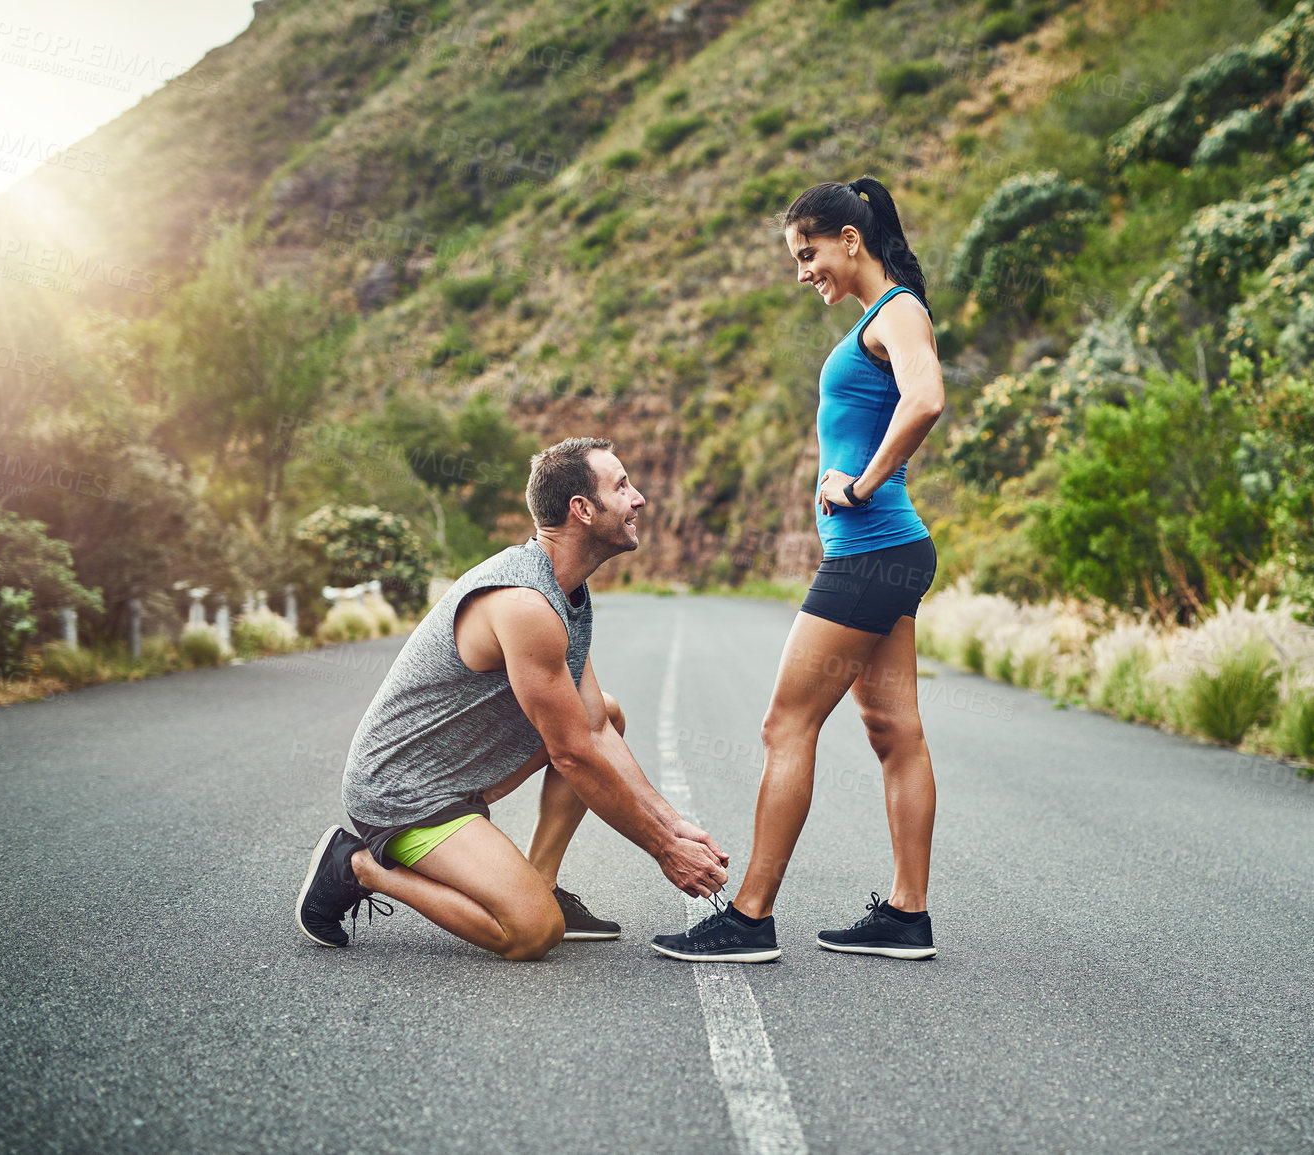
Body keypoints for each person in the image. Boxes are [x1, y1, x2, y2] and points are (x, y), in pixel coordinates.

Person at [652, 176, 943, 964]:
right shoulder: (878, 320)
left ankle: (748, 915)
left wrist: (859, 483)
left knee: (785, 725)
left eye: (807, 252)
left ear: (850, 240)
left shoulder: (898, 313)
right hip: (885, 554)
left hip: (871, 551)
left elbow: (926, 400)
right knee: (892, 729)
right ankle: (905, 914)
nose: (803, 268)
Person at [294, 437, 729, 960]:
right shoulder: (525, 603)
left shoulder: (565, 590)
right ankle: (357, 867)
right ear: (582, 511)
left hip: (456, 774)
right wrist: (664, 852)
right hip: (402, 794)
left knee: (607, 713)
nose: (638, 499)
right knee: (530, 934)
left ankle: (540, 883)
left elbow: (593, 727)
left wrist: (671, 823)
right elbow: (570, 752)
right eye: (622, 486)